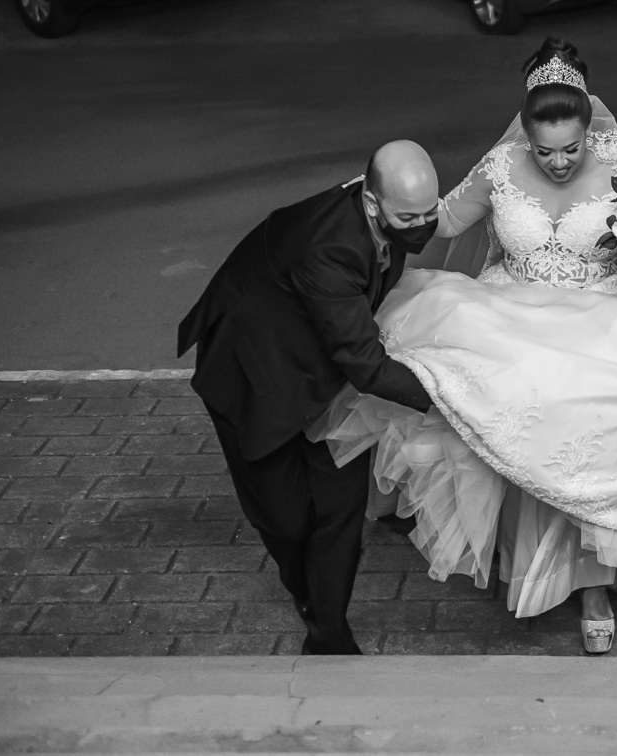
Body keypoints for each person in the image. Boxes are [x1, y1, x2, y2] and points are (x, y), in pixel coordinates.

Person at [309, 39, 617, 654]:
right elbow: (442, 221)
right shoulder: (500, 167)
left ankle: (592, 586)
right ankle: (541, 564)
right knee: (530, 396)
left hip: (608, 312)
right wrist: (369, 205)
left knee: (591, 409)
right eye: (544, 150)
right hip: (515, 311)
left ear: (590, 128)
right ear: (525, 134)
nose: (559, 162)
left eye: (572, 148)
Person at [176, 141, 439, 654]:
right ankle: (303, 587)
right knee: (285, 518)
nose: (421, 225)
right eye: (409, 217)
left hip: (324, 372)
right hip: (255, 376)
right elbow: (365, 364)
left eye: (429, 212)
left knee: (341, 504)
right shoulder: (331, 250)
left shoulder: (385, 215)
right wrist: (449, 398)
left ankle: (327, 629)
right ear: (371, 203)